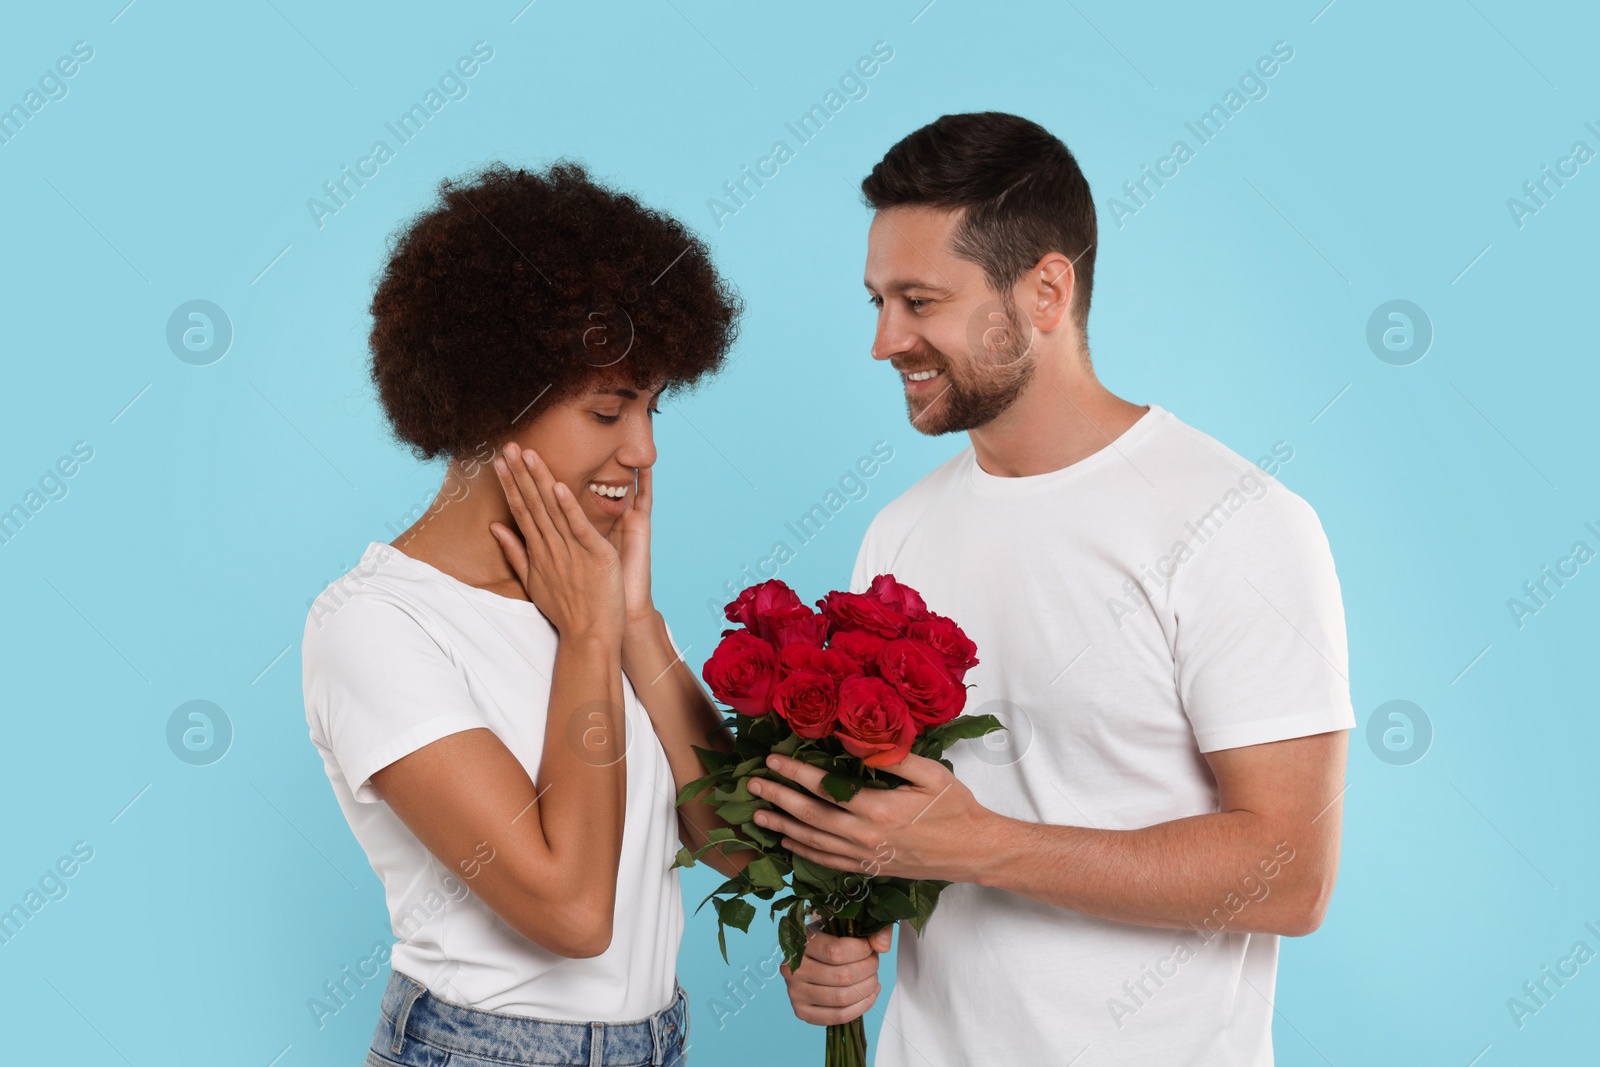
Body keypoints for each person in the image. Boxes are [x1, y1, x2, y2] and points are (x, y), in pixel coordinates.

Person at [753, 112, 1354, 1065]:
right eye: (876, 301)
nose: (884, 341)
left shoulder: (1237, 522)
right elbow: (902, 831)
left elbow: (1290, 873)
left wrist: (983, 846)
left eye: (919, 300)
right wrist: (842, 937)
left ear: (1044, 290)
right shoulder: (897, 533)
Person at [301, 161, 750, 1067]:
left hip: (656, 1040)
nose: (644, 449)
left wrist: (635, 625)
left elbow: (738, 845)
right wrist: (588, 635)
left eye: (654, 409)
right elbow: (573, 912)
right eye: (609, 409)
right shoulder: (376, 625)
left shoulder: (589, 599)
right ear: (491, 398)